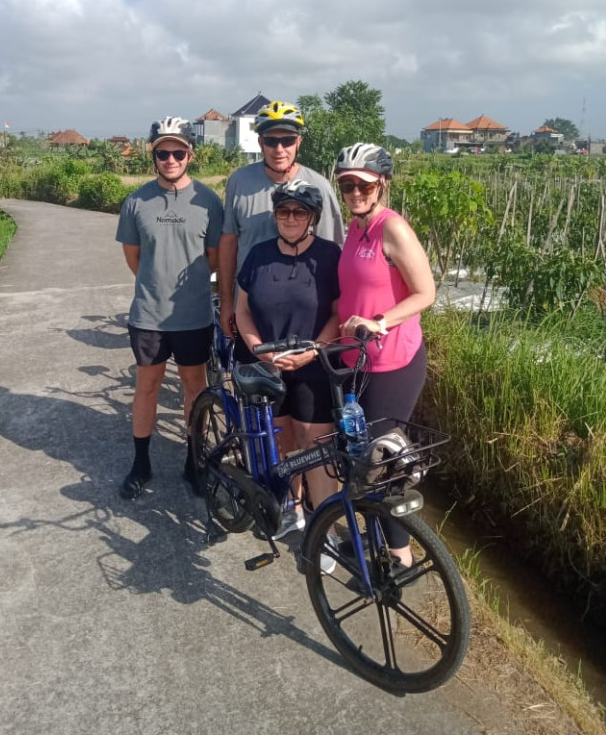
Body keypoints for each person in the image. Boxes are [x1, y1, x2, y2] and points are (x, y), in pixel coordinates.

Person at [335, 143, 436, 568]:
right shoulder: (356, 227)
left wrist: (379, 319)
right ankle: (373, 540)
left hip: (393, 360)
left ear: (382, 184)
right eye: (346, 185)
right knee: (362, 455)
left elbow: (426, 292)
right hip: (357, 359)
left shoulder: (392, 228)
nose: (355, 192)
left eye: (363, 184)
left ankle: (399, 557)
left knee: (384, 459)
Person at [116, 116, 223, 500]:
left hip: (193, 316)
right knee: (147, 386)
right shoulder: (136, 202)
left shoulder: (209, 202)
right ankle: (141, 463)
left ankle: (194, 460)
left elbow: (213, 259)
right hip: (148, 315)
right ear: (154, 156)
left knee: (195, 387)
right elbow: (135, 259)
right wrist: (156, 281)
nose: (170, 159)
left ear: (190, 155)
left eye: (178, 151)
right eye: (163, 152)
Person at [235, 180, 340, 544]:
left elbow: (338, 314)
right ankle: (292, 508)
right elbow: (241, 310)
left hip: (313, 366)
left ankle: (322, 529)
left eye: (299, 212)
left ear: (311, 217)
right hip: (269, 367)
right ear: (275, 216)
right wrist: (259, 349)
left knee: (315, 446)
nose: (290, 218)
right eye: (284, 211)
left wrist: (315, 349)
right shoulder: (259, 255)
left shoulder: (329, 256)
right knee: (281, 442)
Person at [219, 100, 344, 359]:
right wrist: (227, 303)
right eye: (270, 141)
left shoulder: (319, 186)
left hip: (306, 318)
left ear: (298, 142)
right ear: (259, 142)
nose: (279, 149)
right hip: (252, 313)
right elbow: (229, 242)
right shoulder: (239, 182)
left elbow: (333, 254)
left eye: (287, 140)